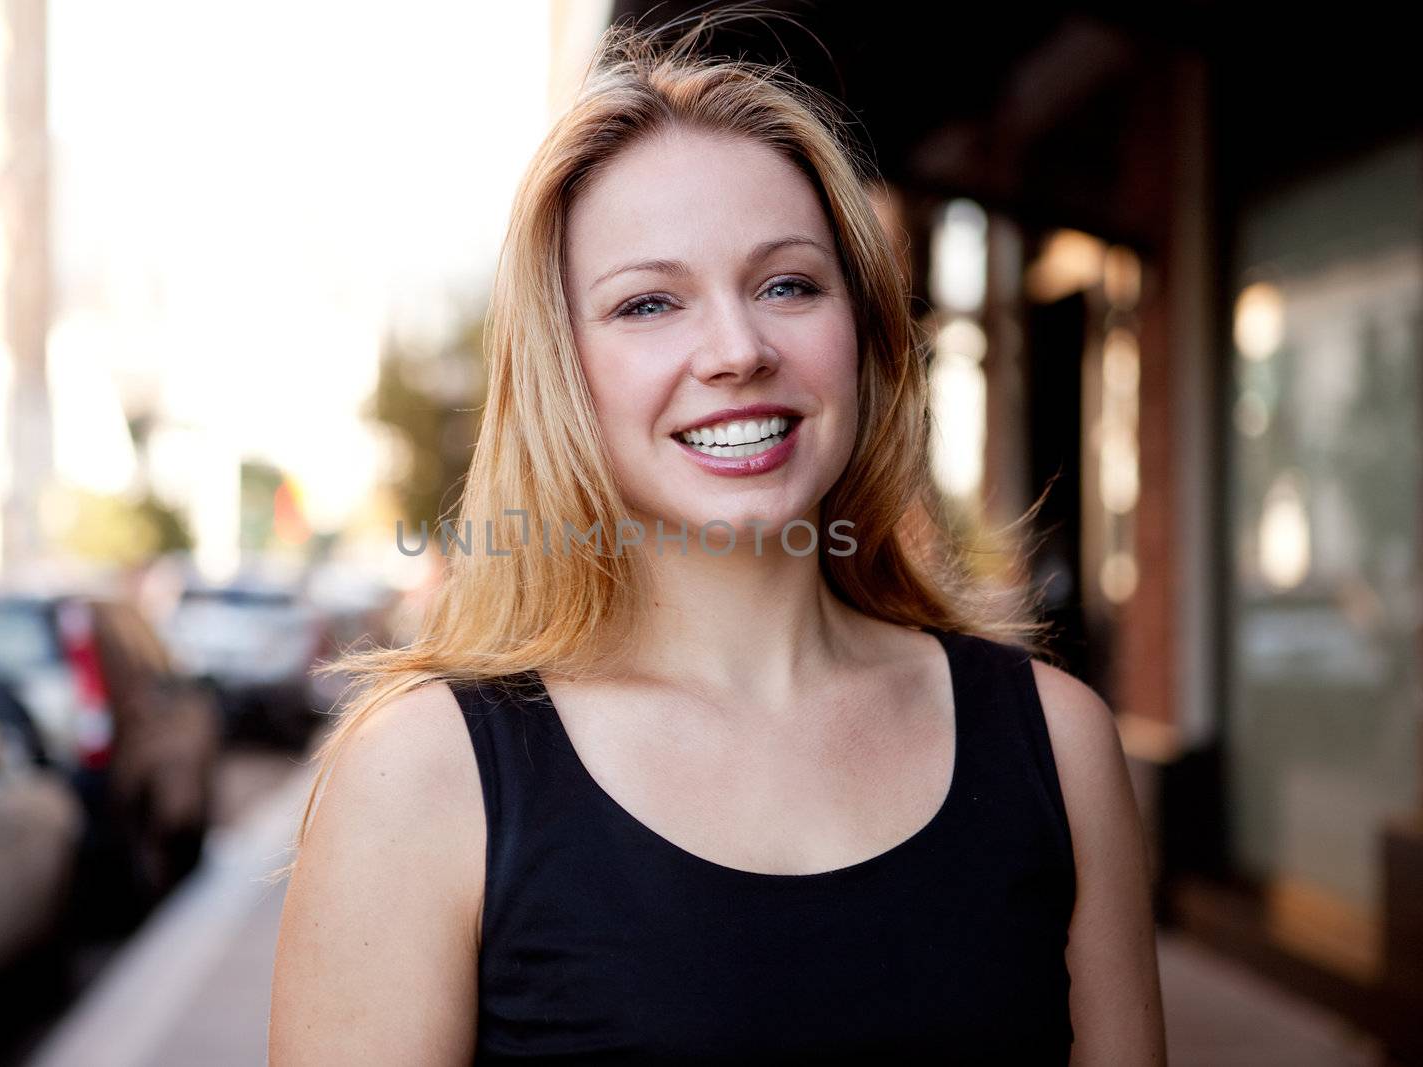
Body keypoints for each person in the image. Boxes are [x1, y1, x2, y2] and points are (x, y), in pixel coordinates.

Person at [269, 14, 1165, 1066]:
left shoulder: (1057, 746)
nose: (737, 350)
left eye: (788, 283)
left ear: (864, 333)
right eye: (648, 303)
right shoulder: (421, 773)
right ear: (563, 372)